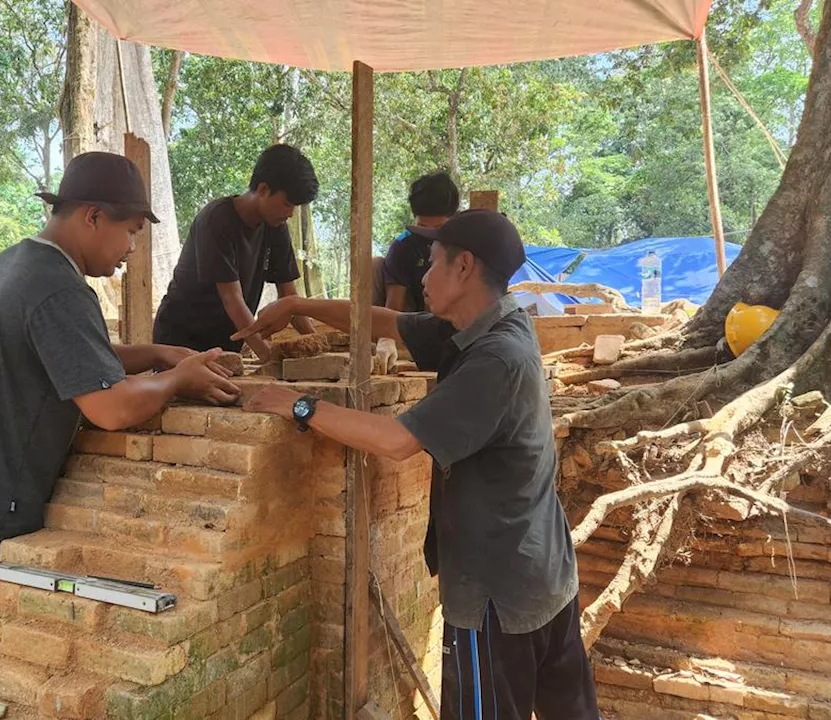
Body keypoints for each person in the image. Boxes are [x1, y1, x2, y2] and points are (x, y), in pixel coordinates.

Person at [234, 209, 597, 720]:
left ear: (464, 267)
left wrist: (299, 405)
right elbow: (390, 324)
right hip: (544, 573)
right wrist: (297, 303)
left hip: (497, 593)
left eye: (432, 264)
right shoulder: (490, 323)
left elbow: (397, 439)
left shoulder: (494, 358)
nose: (421, 277)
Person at [0, 152, 241, 690]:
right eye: (129, 232)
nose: (131, 249)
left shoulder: (18, 260)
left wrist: (157, 352)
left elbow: (70, 356)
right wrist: (180, 381)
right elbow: (109, 408)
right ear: (92, 216)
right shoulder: (59, 288)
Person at [153, 144, 319, 362]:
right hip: (181, 341)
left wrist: (317, 346)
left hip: (226, 344)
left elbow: (290, 296)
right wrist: (268, 356)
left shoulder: (276, 226)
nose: (290, 214)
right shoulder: (216, 220)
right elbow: (232, 298)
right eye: (287, 204)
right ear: (262, 190)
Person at [378, 171, 460, 312]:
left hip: (454, 312)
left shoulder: (465, 242)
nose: (429, 234)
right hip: (415, 315)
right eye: (422, 227)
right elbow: (394, 306)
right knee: (374, 265)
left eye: (438, 228)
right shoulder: (403, 245)